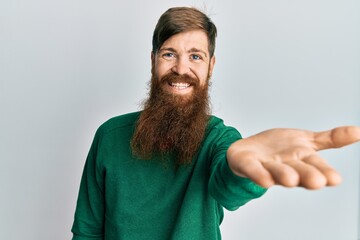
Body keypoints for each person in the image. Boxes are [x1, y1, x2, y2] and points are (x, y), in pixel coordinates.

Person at [71, 7, 360, 240]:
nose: (181, 69)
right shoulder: (109, 136)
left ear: (211, 66)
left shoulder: (219, 139)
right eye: (169, 54)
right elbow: (87, 231)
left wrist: (241, 168)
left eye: (195, 56)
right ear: (152, 60)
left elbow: (228, 186)